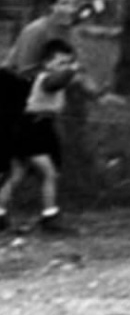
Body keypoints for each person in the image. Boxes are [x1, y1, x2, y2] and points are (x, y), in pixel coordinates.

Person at [1, 39, 87, 234]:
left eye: (66, 63)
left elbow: (73, 82)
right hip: (31, 128)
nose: (63, 68)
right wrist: (72, 69)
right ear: (47, 64)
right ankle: (50, 217)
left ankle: (1, 213)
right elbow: (57, 82)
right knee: (48, 173)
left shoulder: (58, 78)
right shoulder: (47, 79)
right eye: (60, 63)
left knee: (17, 174)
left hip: (40, 127)